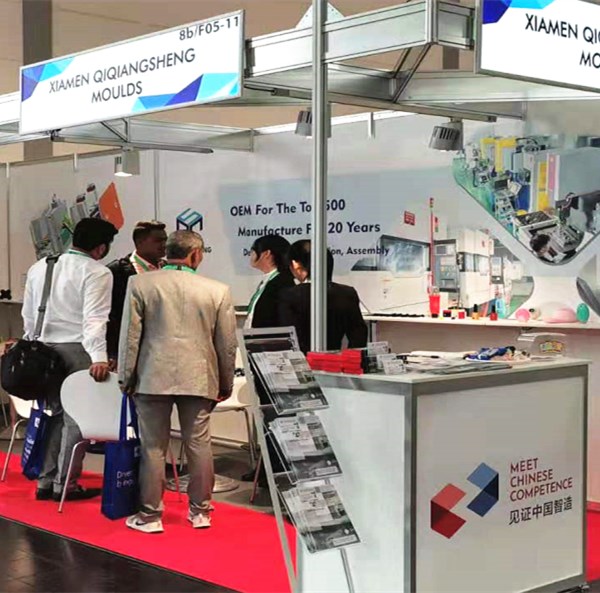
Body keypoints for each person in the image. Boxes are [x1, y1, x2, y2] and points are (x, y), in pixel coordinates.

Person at [118, 230, 237, 534]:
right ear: (195, 254)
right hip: (199, 377)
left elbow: (130, 337)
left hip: (151, 377)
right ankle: (201, 512)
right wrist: (225, 382)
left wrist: (125, 377)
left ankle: (150, 516)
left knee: (153, 447)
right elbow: (227, 344)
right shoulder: (218, 290)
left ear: (167, 252)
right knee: (199, 444)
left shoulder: (140, 284)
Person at [21, 217, 118, 502]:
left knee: (52, 415)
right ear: (101, 248)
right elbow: (95, 320)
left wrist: (31, 342)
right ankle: (65, 484)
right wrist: (99, 357)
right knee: (76, 419)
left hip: (41, 351)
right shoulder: (97, 272)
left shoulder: (41, 266)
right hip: (77, 350)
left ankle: (45, 481)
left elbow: (28, 313)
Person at [279, 240, 368, 353]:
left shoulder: (289, 296)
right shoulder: (347, 293)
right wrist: (349, 359)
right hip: (334, 359)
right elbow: (359, 335)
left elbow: (287, 336)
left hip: (302, 360)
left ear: (296, 265)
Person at [106, 220, 167, 368]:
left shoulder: (170, 269)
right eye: (158, 240)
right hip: (130, 349)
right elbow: (110, 316)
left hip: (164, 348)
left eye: (165, 240)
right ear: (140, 242)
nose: (164, 244)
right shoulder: (116, 271)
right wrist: (112, 353)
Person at [245, 234, 295, 328]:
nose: (250, 254)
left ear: (266, 254)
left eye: (253, 250)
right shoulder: (270, 280)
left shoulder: (281, 283)